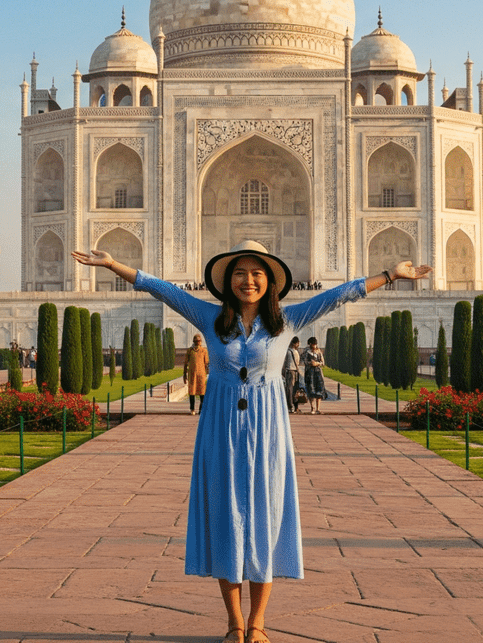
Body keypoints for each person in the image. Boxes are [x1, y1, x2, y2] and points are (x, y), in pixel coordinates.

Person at [73, 240, 429, 643]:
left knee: (266, 519)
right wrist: (114, 263)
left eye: (257, 274)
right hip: (219, 430)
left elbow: (338, 295)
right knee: (226, 517)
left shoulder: (289, 321)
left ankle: (257, 622)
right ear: (228, 282)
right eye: (240, 274)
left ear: (270, 284)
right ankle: (234, 623)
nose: (248, 281)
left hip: (269, 431)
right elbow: (163, 290)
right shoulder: (209, 319)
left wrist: (391, 276)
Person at [184, 333, 209, 414]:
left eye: (199, 341)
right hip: (192, 374)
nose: (198, 342)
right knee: (192, 392)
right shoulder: (190, 351)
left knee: (202, 392)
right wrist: (184, 374)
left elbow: (207, 363)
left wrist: (208, 375)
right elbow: (185, 363)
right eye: (196, 341)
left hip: (201, 375)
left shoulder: (203, 350)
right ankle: (192, 409)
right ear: (194, 341)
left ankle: (201, 409)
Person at [302, 336, 325, 414]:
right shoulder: (307, 352)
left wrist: (317, 363)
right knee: (311, 390)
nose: (314, 346)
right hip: (310, 372)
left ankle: (318, 408)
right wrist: (310, 363)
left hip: (318, 372)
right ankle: (313, 408)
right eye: (312, 344)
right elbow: (304, 361)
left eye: (315, 344)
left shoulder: (319, 352)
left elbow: (323, 362)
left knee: (319, 390)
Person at [281, 337, 303, 414]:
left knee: (289, 389)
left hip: (289, 371)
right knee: (292, 389)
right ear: (295, 343)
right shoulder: (295, 352)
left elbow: (284, 363)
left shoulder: (287, 351)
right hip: (293, 371)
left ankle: (290, 406)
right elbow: (297, 363)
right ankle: (292, 406)